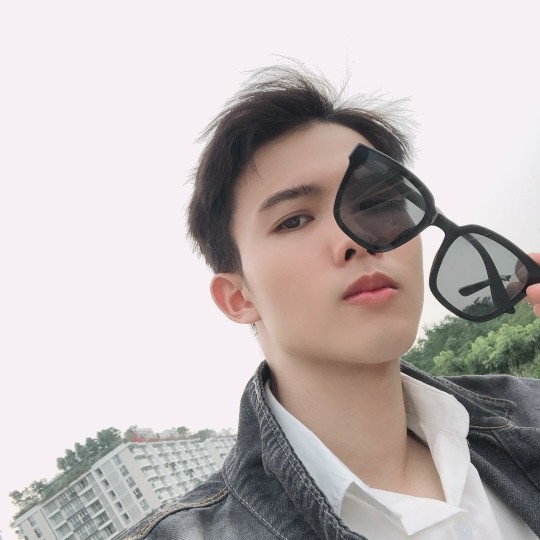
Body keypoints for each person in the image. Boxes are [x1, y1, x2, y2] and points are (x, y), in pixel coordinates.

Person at [119, 65, 540, 539]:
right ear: (238, 297)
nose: (354, 240)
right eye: (294, 220)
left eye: (375, 203)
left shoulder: (530, 412)